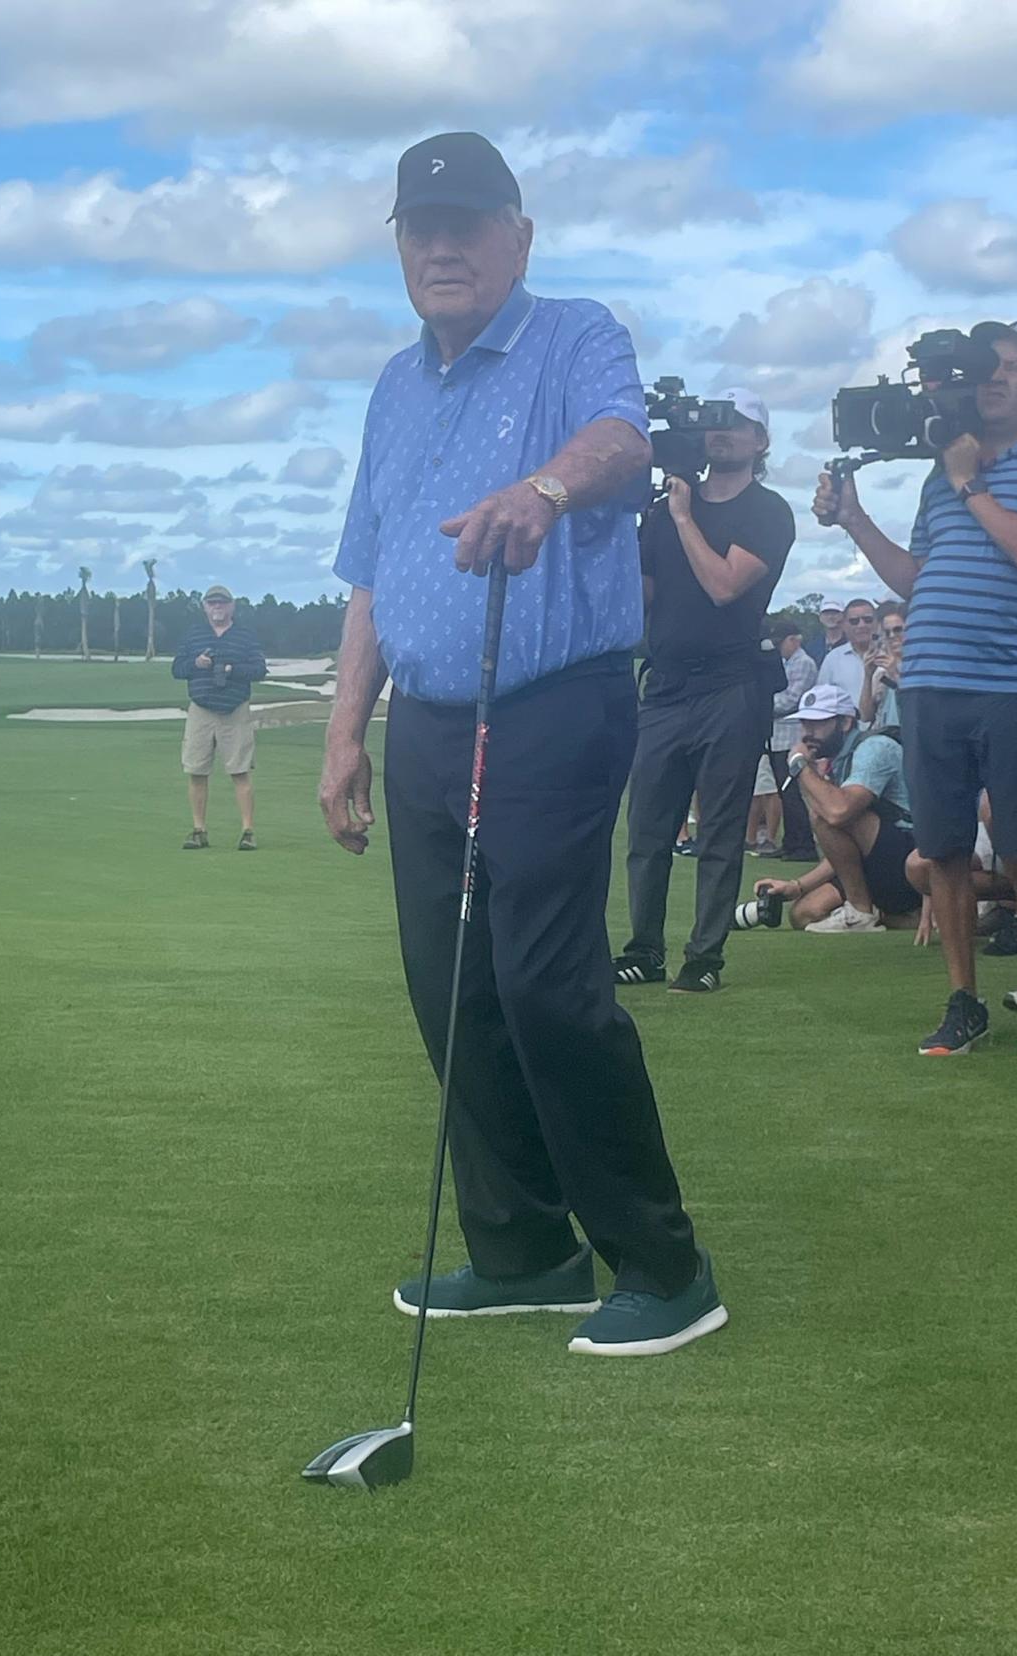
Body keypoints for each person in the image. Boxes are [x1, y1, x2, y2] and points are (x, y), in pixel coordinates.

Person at [319, 130, 725, 1356]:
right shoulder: (394, 385)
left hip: (553, 705)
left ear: (519, 237)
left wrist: (541, 491)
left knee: (548, 983)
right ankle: (525, 1249)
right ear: (399, 247)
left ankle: (665, 1265)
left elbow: (623, 445)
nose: (445, 245)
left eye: (470, 222)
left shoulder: (575, 334)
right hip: (430, 723)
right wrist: (345, 733)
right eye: (421, 227)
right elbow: (371, 577)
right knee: (452, 992)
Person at [814, 318, 1017, 1057]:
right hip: (933, 684)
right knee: (944, 849)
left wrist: (966, 477)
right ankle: (963, 1001)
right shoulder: (939, 475)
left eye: (1013, 366)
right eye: (987, 369)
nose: (995, 378)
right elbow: (917, 578)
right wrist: (854, 521)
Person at [615, 390, 795, 993]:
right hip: (666, 685)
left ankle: (704, 957)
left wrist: (684, 516)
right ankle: (644, 948)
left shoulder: (766, 511)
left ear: (760, 442)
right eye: (715, 425)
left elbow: (724, 585)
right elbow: (636, 595)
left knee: (719, 830)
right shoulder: (663, 511)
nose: (722, 435)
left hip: (731, 683)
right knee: (647, 829)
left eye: (738, 426)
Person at [753, 685, 920, 932]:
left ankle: (861, 912)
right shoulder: (842, 757)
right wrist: (797, 886)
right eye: (805, 724)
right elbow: (844, 850)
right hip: (880, 857)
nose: (808, 734)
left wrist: (800, 765)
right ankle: (895, 917)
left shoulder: (874, 747)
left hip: (912, 857)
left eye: (818, 724)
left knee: (827, 813)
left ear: (845, 723)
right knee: (804, 914)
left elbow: (838, 813)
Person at [172, 585, 266, 851]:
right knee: (196, 770)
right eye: (212, 603)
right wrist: (196, 664)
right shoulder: (194, 635)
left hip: (234, 709)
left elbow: (259, 669)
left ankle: (248, 831)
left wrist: (232, 669)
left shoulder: (245, 636)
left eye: (222, 603)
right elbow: (177, 668)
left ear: (231, 606)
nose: (217, 608)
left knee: (240, 770)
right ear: (205, 607)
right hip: (201, 709)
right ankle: (199, 830)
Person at [767, 617, 818, 860]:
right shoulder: (787, 662)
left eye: (782, 641)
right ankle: (791, 842)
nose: (779, 647)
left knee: (792, 793)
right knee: (784, 792)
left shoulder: (802, 663)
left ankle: (803, 845)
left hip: (791, 735)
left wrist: (761, 704)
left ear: (794, 640)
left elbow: (792, 699)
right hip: (779, 735)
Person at [814, 597, 876, 709]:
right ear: (844, 625)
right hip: (847, 723)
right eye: (854, 621)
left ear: (877, 622)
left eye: (868, 619)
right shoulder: (832, 659)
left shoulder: (891, 653)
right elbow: (822, 699)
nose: (861, 625)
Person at [859, 602, 905, 729]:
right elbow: (866, 716)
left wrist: (895, 675)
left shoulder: (921, 666)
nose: (892, 636)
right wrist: (868, 676)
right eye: (887, 632)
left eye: (898, 630)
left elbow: (918, 708)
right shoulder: (881, 672)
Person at [806, 599, 845, 667]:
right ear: (820, 617)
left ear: (843, 616)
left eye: (834, 613)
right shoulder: (811, 647)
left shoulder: (853, 644)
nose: (830, 617)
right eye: (826, 613)